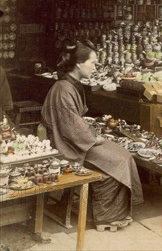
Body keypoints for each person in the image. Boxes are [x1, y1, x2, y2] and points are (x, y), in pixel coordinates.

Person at [41, 40, 143, 231]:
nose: (95, 67)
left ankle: (115, 212)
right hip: (68, 144)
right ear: (79, 64)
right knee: (118, 160)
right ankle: (107, 217)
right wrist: (94, 138)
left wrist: (93, 133)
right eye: (93, 62)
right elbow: (70, 127)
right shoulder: (63, 88)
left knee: (124, 154)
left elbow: (74, 121)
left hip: (75, 138)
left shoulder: (72, 84)